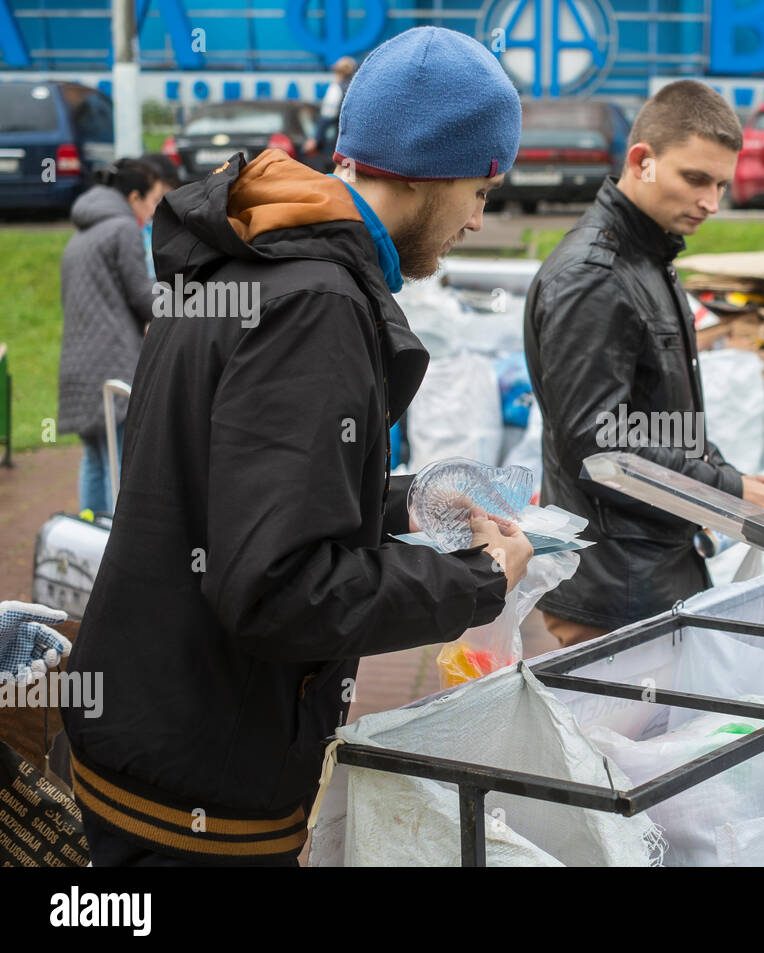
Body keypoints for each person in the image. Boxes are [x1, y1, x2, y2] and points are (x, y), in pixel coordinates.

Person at [61, 26, 532, 866]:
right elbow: (277, 588)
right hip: (200, 786)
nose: (476, 218)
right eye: (480, 187)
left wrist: (409, 505)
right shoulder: (315, 305)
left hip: (147, 733)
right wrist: (475, 579)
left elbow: (233, 487)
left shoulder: (245, 254)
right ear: (431, 171)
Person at [523, 80, 764, 647]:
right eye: (695, 179)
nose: (711, 203)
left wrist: (734, 484)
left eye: (722, 184)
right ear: (642, 161)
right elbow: (599, 447)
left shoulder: (648, 255)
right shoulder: (595, 277)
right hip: (615, 585)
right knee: (622, 738)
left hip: (648, 567)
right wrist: (723, 487)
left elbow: (657, 418)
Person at [57, 159, 162, 516]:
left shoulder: (81, 234)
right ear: (134, 197)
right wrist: (185, 301)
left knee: (94, 459)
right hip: (112, 361)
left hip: (77, 364)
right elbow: (142, 296)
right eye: (152, 201)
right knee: (120, 461)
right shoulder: (122, 229)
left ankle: (91, 534)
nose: (152, 212)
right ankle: (115, 548)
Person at [304, 56, 357, 162]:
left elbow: (327, 116)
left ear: (338, 72)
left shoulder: (336, 88)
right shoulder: (357, 89)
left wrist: (316, 139)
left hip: (338, 145)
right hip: (355, 146)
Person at [138, 153, 182, 281]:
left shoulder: (181, 227)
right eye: (154, 199)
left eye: (160, 199)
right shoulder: (138, 227)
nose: (154, 208)